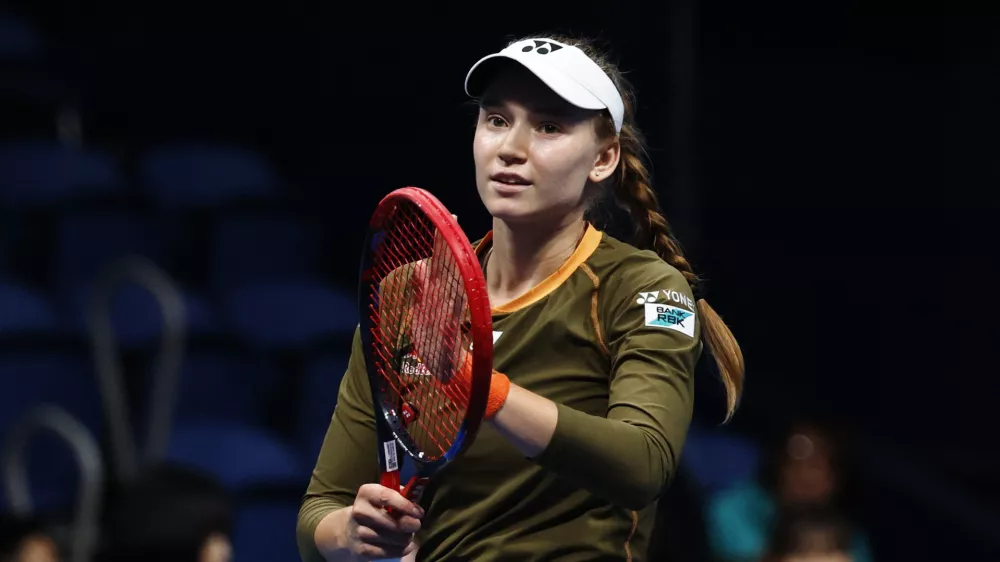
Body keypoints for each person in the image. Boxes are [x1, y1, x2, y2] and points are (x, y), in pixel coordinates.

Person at [297, 34, 745, 562]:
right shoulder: (411, 293)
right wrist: (352, 533)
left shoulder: (641, 289)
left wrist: (473, 383)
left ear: (603, 159)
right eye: (496, 119)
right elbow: (320, 510)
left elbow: (642, 465)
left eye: (549, 126)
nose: (510, 147)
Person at [705, 421, 872, 562]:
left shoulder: (852, 539)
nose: (804, 474)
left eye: (816, 466)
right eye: (796, 461)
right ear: (779, 463)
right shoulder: (735, 507)